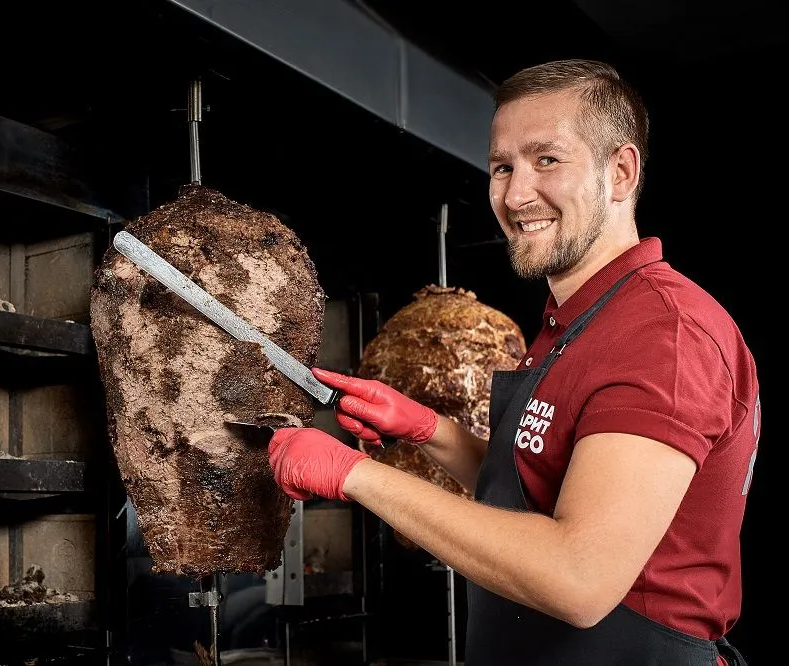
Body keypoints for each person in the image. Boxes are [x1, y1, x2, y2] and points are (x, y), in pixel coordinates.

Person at [267, 59, 759, 666]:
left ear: (621, 173)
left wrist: (354, 475)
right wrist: (429, 431)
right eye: (502, 167)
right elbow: (536, 491)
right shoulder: (578, 321)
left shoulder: (662, 333)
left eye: (546, 160)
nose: (515, 195)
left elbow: (578, 578)